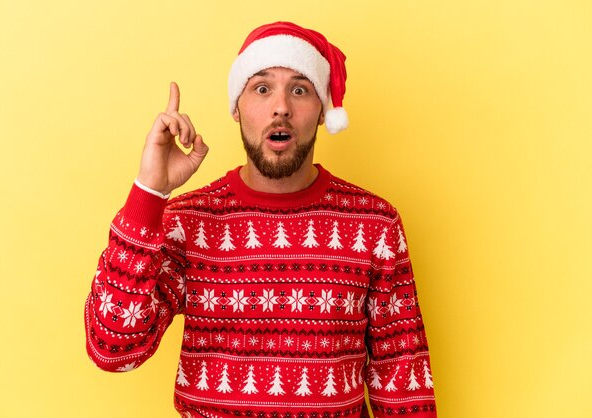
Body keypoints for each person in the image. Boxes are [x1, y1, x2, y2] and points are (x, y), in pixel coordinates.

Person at [85, 21, 437, 417]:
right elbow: (112, 348)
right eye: (262, 88)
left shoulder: (374, 224)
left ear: (322, 110)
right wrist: (150, 192)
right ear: (237, 107)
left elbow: (403, 381)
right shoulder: (189, 221)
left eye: (300, 89)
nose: (281, 106)